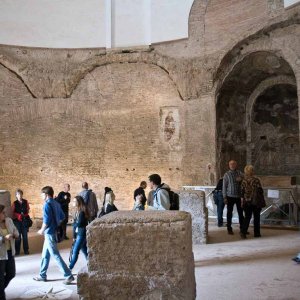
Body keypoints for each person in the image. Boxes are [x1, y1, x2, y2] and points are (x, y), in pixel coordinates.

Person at [33, 186, 74, 284]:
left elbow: (46, 221)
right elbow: (62, 217)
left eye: (42, 194)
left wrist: (42, 230)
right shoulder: (56, 203)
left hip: (49, 233)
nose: (41, 196)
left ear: (46, 195)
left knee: (55, 255)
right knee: (45, 255)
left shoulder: (47, 204)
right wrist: (56, 224)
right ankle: (42, 275)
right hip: (53, 231)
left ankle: (68, 275)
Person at [0, 205, 19, 300]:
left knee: (11, 273)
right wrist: (3, 238)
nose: (5, 214)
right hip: (0, 255)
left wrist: (16, 234)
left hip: (10, 251)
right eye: (3, 212)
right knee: (0, 278)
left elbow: (15, 230)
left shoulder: (9, 220)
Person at [240, 165, 263, 239]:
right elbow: (260, 190)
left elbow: (242, 192)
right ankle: (257, 233)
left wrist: (242, 201)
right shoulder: (256, 180)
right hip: (255, 201)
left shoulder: (244, 181)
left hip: (247, 202)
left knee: (247, 217)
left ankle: (243, 232)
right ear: (252, 171)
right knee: (256, 217)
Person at [222, 160, 244, 235]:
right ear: (229, 165)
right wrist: (224, 197)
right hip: (230, 196)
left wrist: (241, 179)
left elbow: (245, 179)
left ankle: (242, 229)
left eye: (234, 164)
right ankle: (229, 228)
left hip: (238, 196)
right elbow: (224, 186)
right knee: (229, 213)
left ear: (236, 165)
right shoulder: (226, 174)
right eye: (231, 164)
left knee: (241, 213)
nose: (232, 165)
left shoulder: (240, 173)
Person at [69, 196, 89, 270]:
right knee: (84, 250)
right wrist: (74, 236)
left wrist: (73, 223)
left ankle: (70, 268)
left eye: (74, 201)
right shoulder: (77, 211)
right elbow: (76, 225)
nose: (73, 203)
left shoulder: (82, 212)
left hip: (82, 233)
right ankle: (91, 263)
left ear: (78, 202)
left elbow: (79, 224)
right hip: (79, 234)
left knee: (75, 251)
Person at [11, 189, 30, 255]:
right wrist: (18, 215)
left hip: (24, 221)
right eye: (18, 194)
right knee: (18, 237)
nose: (20, 195)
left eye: (20, 194)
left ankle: (26, 250)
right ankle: (17, 251)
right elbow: (12, 212)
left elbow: (27, 210)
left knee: (25, 236)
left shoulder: (26, 202)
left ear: (22, 194)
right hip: (17, 222)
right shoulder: (14, 203)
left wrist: (24, 215)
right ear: (16, 195)